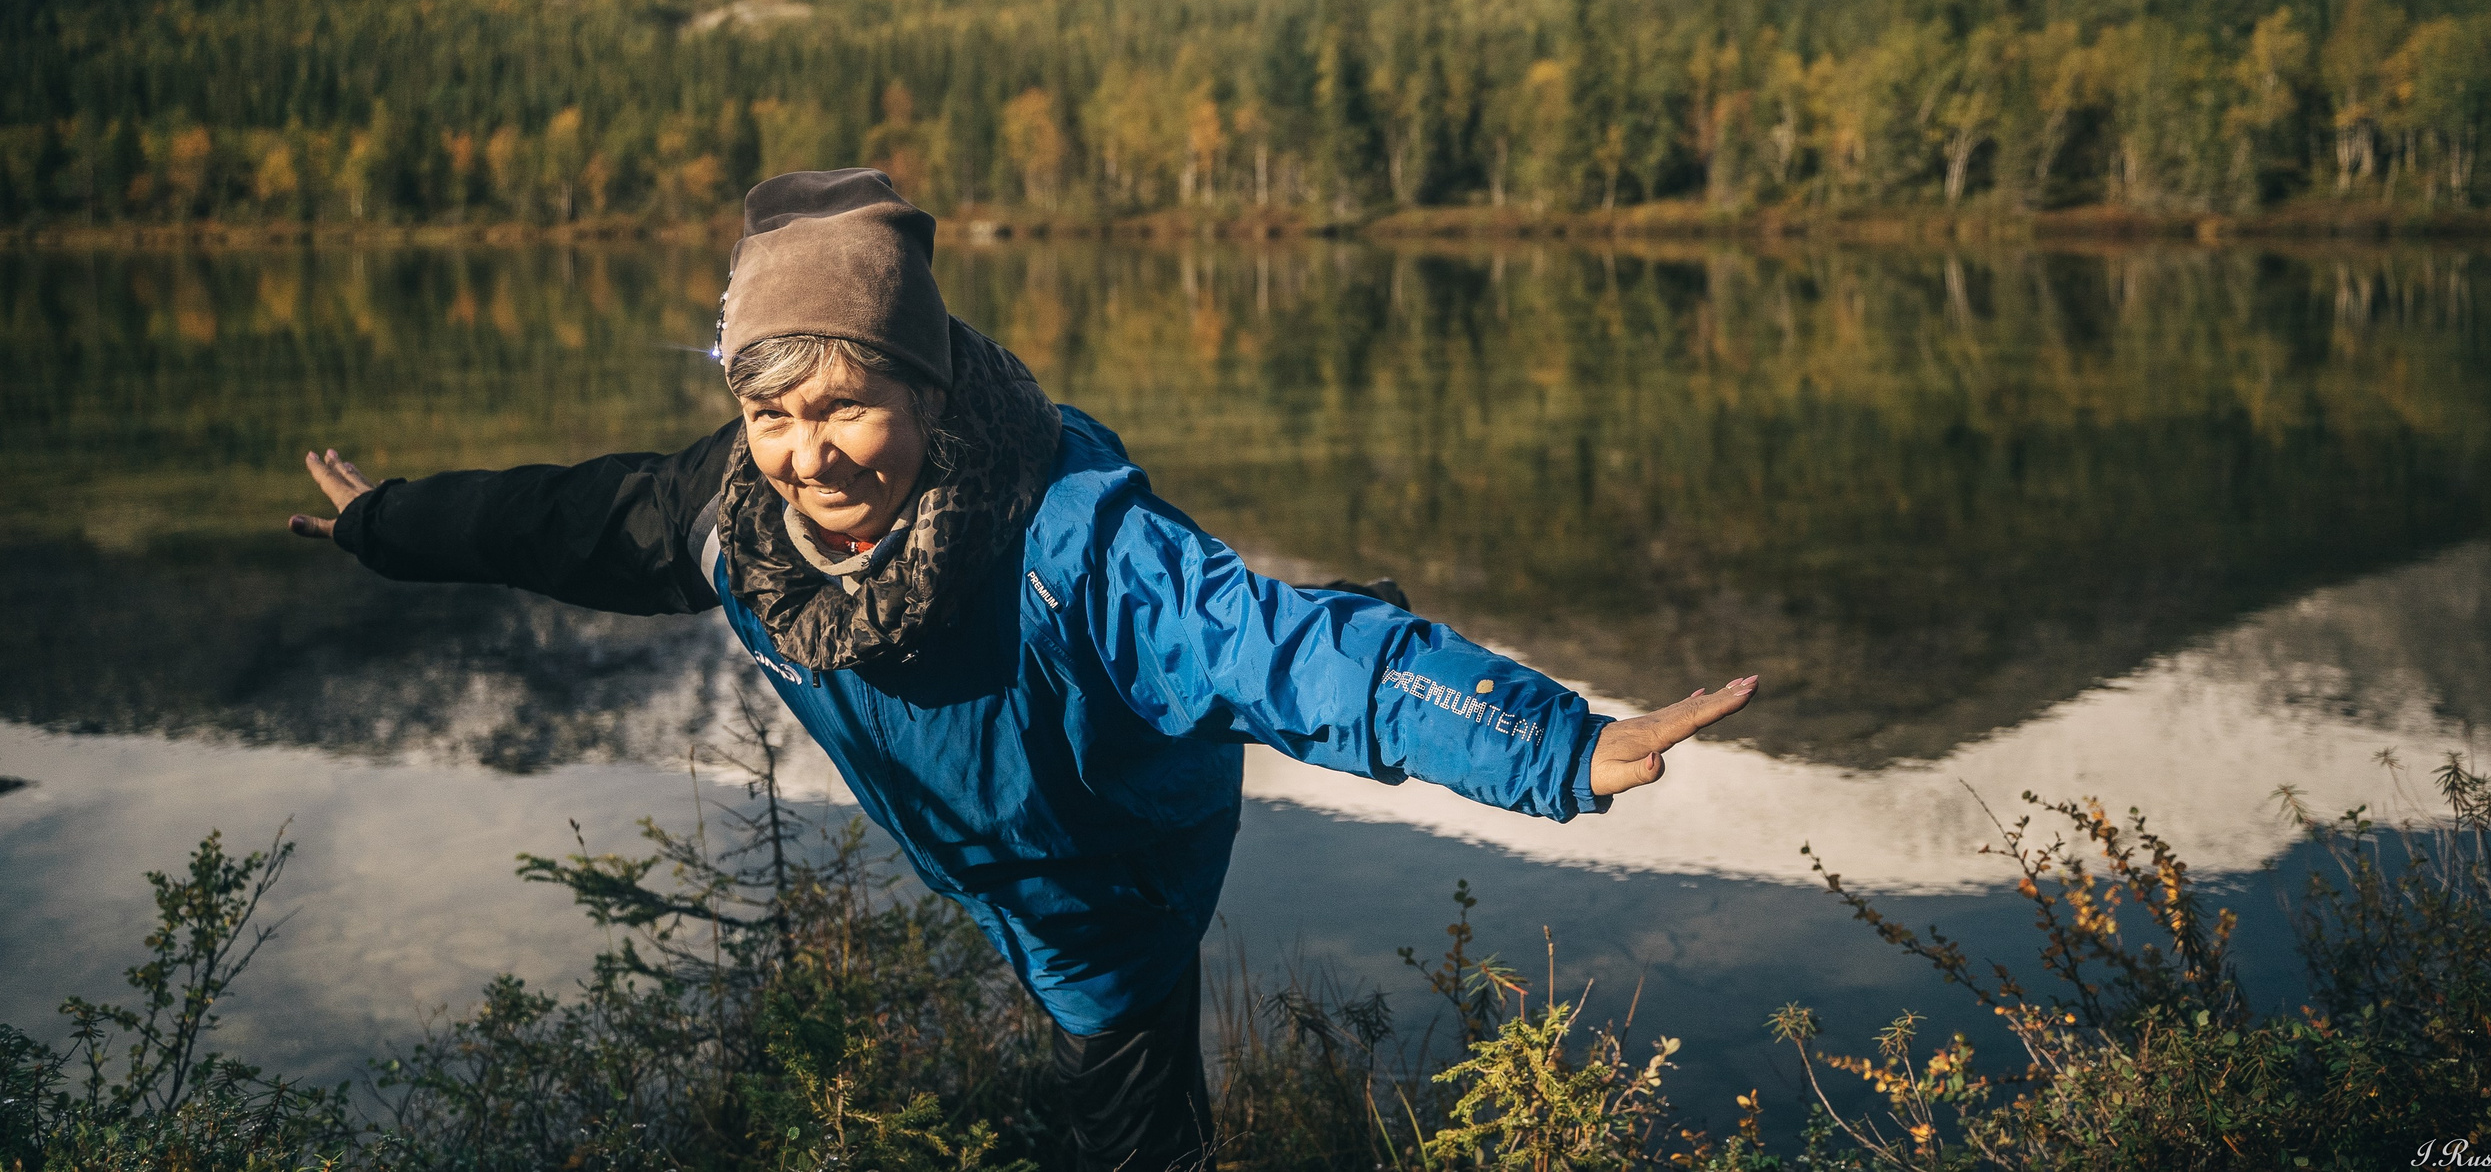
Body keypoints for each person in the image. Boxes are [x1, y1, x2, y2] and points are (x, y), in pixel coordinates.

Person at [289, 169, 1757, 1172]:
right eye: (777, 414)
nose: (814, 456)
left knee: (1130, 1074)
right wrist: (383, 521)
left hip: (1115, 860)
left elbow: (1289, 651)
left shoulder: (1075, 541)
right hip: (992, 836)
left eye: (852, 405)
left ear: (924, 389)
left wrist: (1557, 745)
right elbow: (559, 519)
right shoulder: (733, 514)